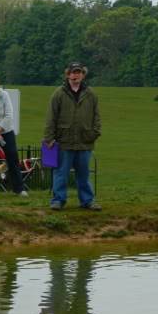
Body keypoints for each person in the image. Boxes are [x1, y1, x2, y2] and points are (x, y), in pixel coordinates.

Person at [44, 62, 101, 211]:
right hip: (64, 142)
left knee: (84, 174)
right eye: (73, 72)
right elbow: (51, 117)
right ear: (68, 74)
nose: (76, 75)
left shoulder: (91, 94)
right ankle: (58, 200)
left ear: (83, 74)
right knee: (61, 173)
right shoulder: (58, 94)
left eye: (79, 72)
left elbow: (97, 116)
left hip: (84, 142)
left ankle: (88, 201)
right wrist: (49, 138)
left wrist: (94, 133)